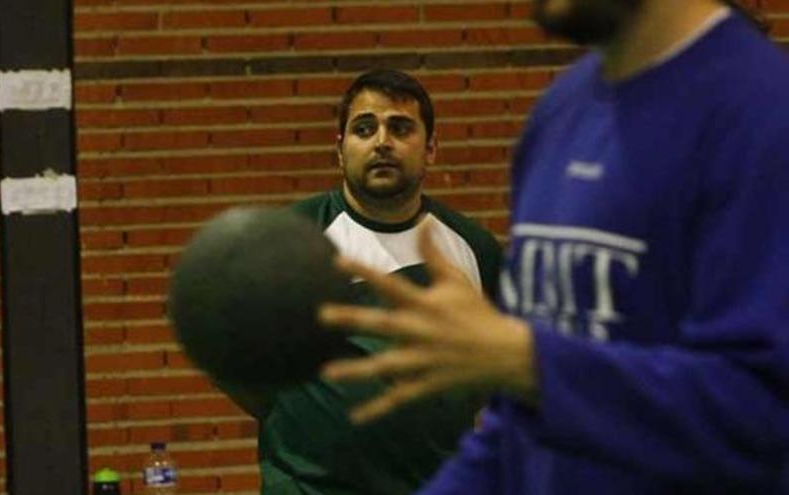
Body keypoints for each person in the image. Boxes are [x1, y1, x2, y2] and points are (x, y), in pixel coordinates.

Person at [318, 1, 789, 493]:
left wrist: (533, 363)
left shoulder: (764, 117)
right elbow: (516, 427)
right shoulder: (562, 109)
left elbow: (766, 413)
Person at [244, 69, 503, 494]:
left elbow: (497, 377)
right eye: (364, 129)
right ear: (340, 151)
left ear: (432, 148)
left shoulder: (474, 248)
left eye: (400, 128)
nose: (382, 141)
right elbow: (236, 365)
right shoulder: (290, 241)